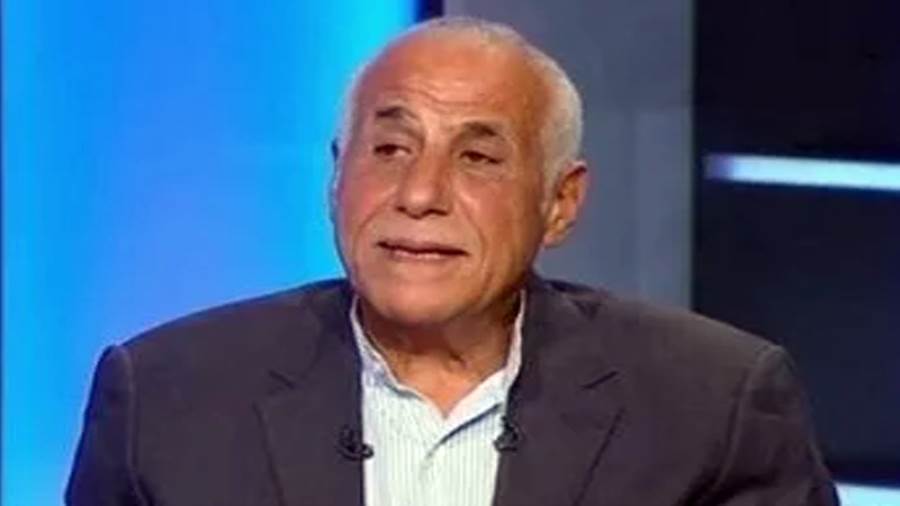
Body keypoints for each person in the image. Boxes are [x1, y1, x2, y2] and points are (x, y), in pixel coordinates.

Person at [67, 16, 838, 506]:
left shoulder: (711, 409)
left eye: (477, 157)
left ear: (560, 202)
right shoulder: (166, 398)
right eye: (390, 148)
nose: (419, 194)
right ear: (336, 177)